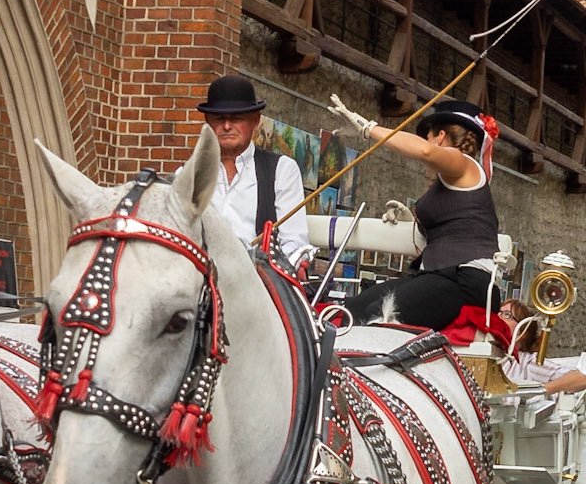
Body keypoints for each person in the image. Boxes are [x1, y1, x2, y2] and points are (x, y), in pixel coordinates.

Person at [329, 94, 501, 330]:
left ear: (440, 137)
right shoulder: (449, 181)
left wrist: (367, 129)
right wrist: (412, 223)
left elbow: (426, 152)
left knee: (379, 313)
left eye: (427, 136)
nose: (426, 142)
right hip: (438, 275)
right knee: (351, 310)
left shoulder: (463, 163)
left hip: (466, 279)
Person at [196, 75, 312, 270]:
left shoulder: (282, 171)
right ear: (208, 122)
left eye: (236, 118)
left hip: (260, 284)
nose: (226, 126)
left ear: (255, 121)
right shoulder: (189, 175)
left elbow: (294, 243)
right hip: (202, 282)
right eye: (219, 119)